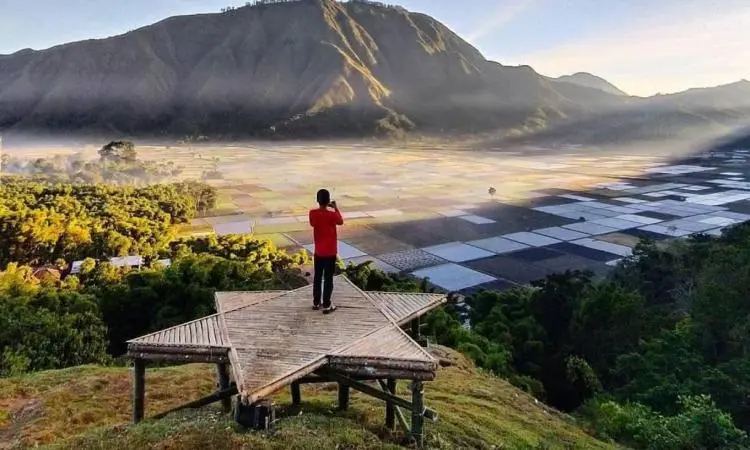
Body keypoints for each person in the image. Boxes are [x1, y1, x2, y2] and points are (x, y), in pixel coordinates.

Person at [309, 188, 343, 314]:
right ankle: (327, 304)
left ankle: (316, 303)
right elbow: (341, 221)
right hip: (330, 253)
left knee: (317, 277)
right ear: (328, 200)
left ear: (317, 200)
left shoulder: (312, 213)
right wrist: (335, 208)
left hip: (318, 252)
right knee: (328, 278)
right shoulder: (332, 215)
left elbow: (313, 224)